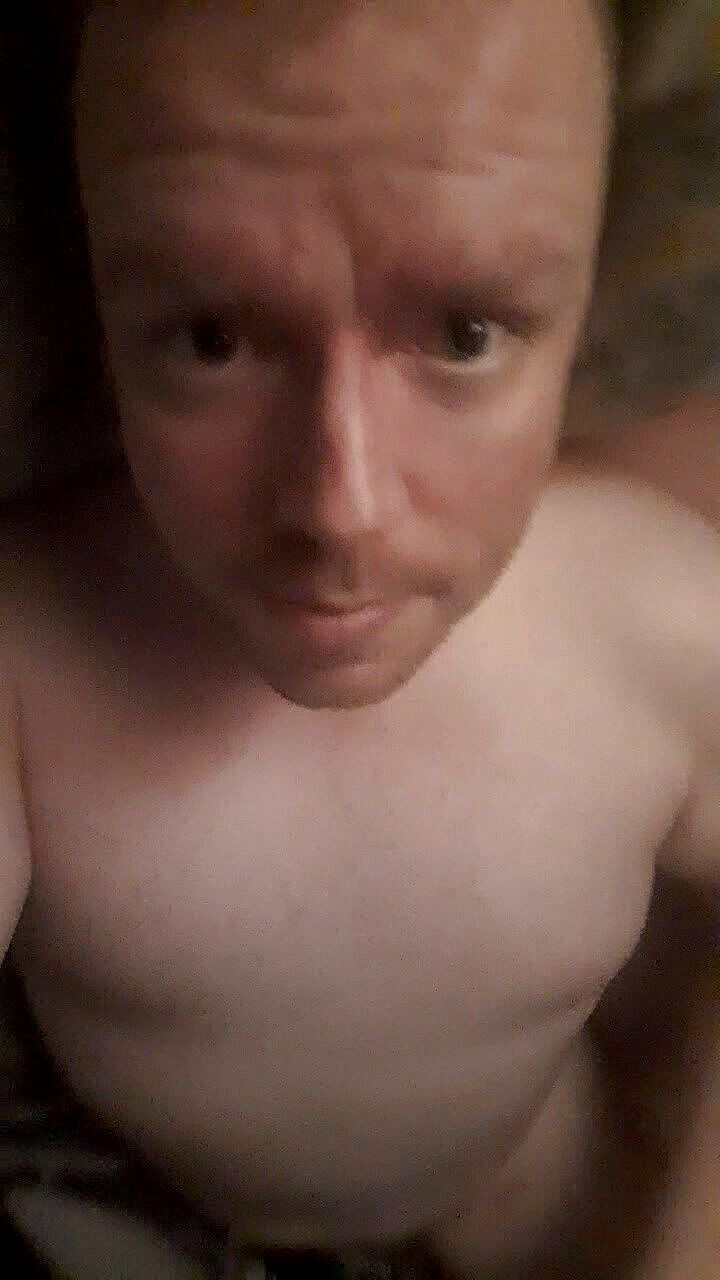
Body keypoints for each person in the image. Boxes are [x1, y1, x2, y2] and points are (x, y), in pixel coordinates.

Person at [0, 1, 717, 1277]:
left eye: (466, 333)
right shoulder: (23, 657)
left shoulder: (668, 625)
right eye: (213, 338)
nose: (343, 509)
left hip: (542, 1187)